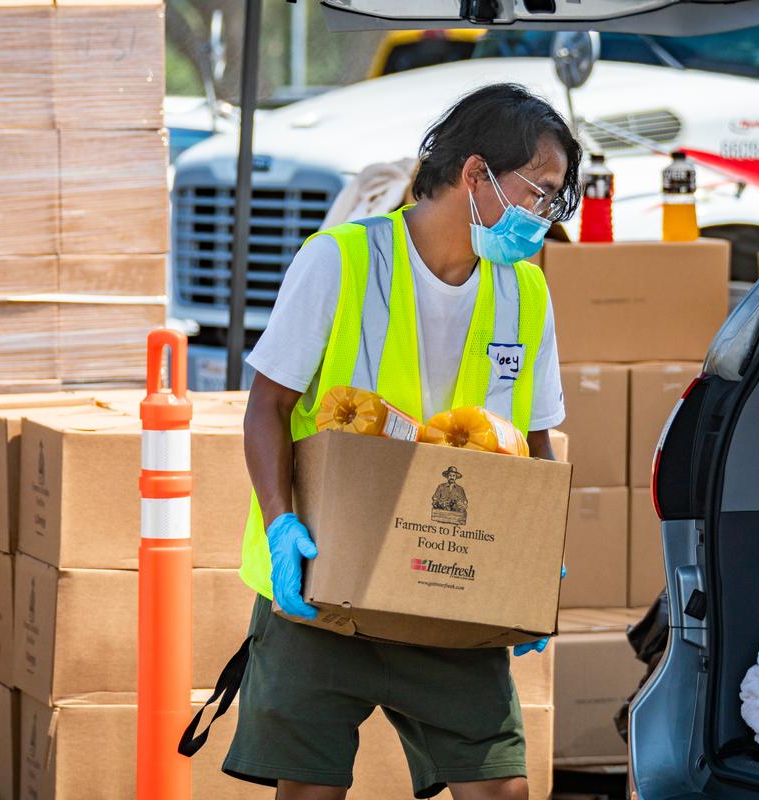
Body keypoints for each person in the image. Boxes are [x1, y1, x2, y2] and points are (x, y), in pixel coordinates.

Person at [215, 83, 581, 800]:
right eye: (539, 193)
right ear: (476, 175)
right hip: (324, 589)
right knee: (309, 792)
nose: (543, 216)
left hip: (450, 587)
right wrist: (279, 523)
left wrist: (538, 563)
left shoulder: (525, 291)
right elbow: (268, 405)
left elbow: (539, 441)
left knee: (500, 788)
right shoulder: (341, 261)